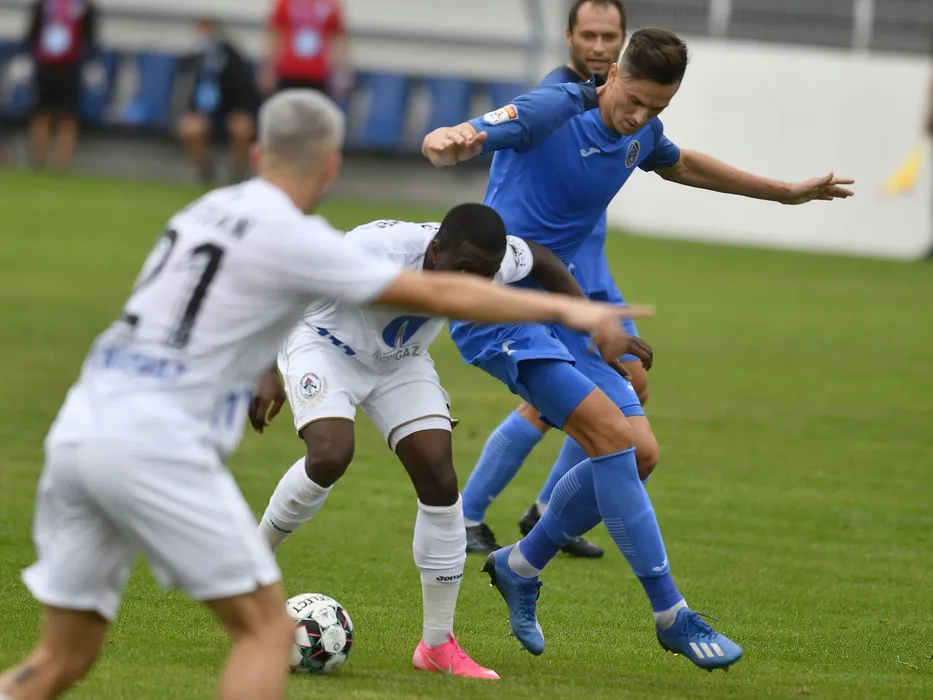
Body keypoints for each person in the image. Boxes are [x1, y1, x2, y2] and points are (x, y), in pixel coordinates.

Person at [0, 88, 649, 700]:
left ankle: (437, 643)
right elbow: (426, 293)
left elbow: (532, 259)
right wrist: (577, 315)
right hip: (245, 392)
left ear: (257, 152)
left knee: (64, 657)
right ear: (333, 167)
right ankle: (260, 556)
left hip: (84, 425)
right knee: (269, 623)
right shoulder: (335, 242)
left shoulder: (201, 212)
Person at [422, 28, 855, 670]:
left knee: (641, 453)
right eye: (635, 101)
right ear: (614, 74)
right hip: (500, 308)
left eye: (658, 108)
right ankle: (671, 612)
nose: (640, 117)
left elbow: (684, 164)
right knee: (610, 438)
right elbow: (486, 129)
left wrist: (786, 192)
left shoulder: (642, 133)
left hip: (566, 308)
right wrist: (452, 138)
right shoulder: (556, 108)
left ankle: (521, 564)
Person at [253, 205, 622, 680]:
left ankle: (436, 645)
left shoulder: (485, 259)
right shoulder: (374, 249)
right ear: (435, 250)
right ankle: (253, 563)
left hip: (400, 361)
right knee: (330, 454)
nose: (472, 283)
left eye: (484, 275)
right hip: (325, 346)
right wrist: (263, 366)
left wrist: (590, 321)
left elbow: (542, 258)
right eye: (463, 269)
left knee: (440, 478)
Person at [462, 0, 638, 560]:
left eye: (609, 35)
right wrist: (466, 134)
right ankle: (472, 513)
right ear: (569, 36)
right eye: (589, 35)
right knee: (557, 406)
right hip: (552, 278)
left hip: (594, 273)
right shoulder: (554, 101)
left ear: (623, 41)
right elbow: (509, 128)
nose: (599, 46)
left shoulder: (624, 106)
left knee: (630, 386)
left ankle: (544, 511)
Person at [178, 17, 260, 185]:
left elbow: (245, 89)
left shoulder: (232, 56)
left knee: (242, 128)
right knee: (190, 127)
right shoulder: (196, 57)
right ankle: (206, 170)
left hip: (230, 110)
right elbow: (189, 89)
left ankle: (238, 173)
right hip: (204, 111)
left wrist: (241, 110)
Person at [24, 0, 98, 170]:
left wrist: (90, 61)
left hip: (71, 67)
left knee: (68, 114)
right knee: (41, 111)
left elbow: (90, 37)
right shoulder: (44, 5)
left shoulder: (84, 6)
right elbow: (33, 32)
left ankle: (61, 162)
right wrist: (28, 56)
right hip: (45, 64)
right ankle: (40, 159)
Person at [260, 0, 351, 102]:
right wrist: (268, 69)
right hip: (289, 72)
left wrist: (341, 72)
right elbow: (275, 36)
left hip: (319, 74)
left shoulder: (330, 4)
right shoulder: (285, 3)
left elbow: (338, 39)